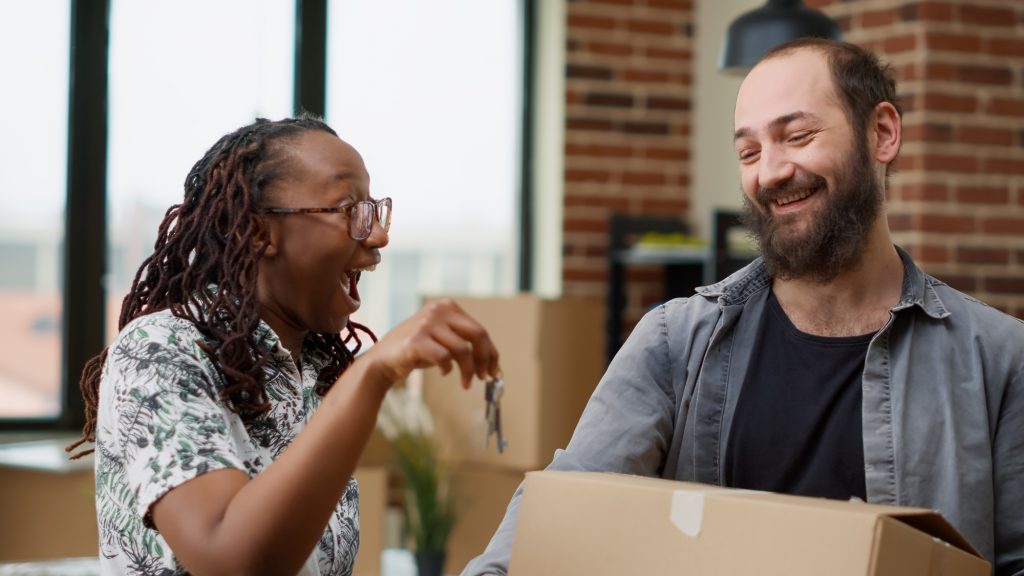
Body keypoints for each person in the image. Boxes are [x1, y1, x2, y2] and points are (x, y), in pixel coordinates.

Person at [464, 38, 1023, 576]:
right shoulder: (674, 344)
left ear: (882, 132)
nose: (770, 172)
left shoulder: (1000, 360)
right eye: (749, 152)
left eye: (797, 136)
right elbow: (554, 523)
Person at [66, 116, 502, 576]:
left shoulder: (313, 367)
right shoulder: (161, 349)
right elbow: (228, 558)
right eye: (349, 209)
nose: (377, 236)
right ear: (259, 232)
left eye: (374, 210)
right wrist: (371, 374)